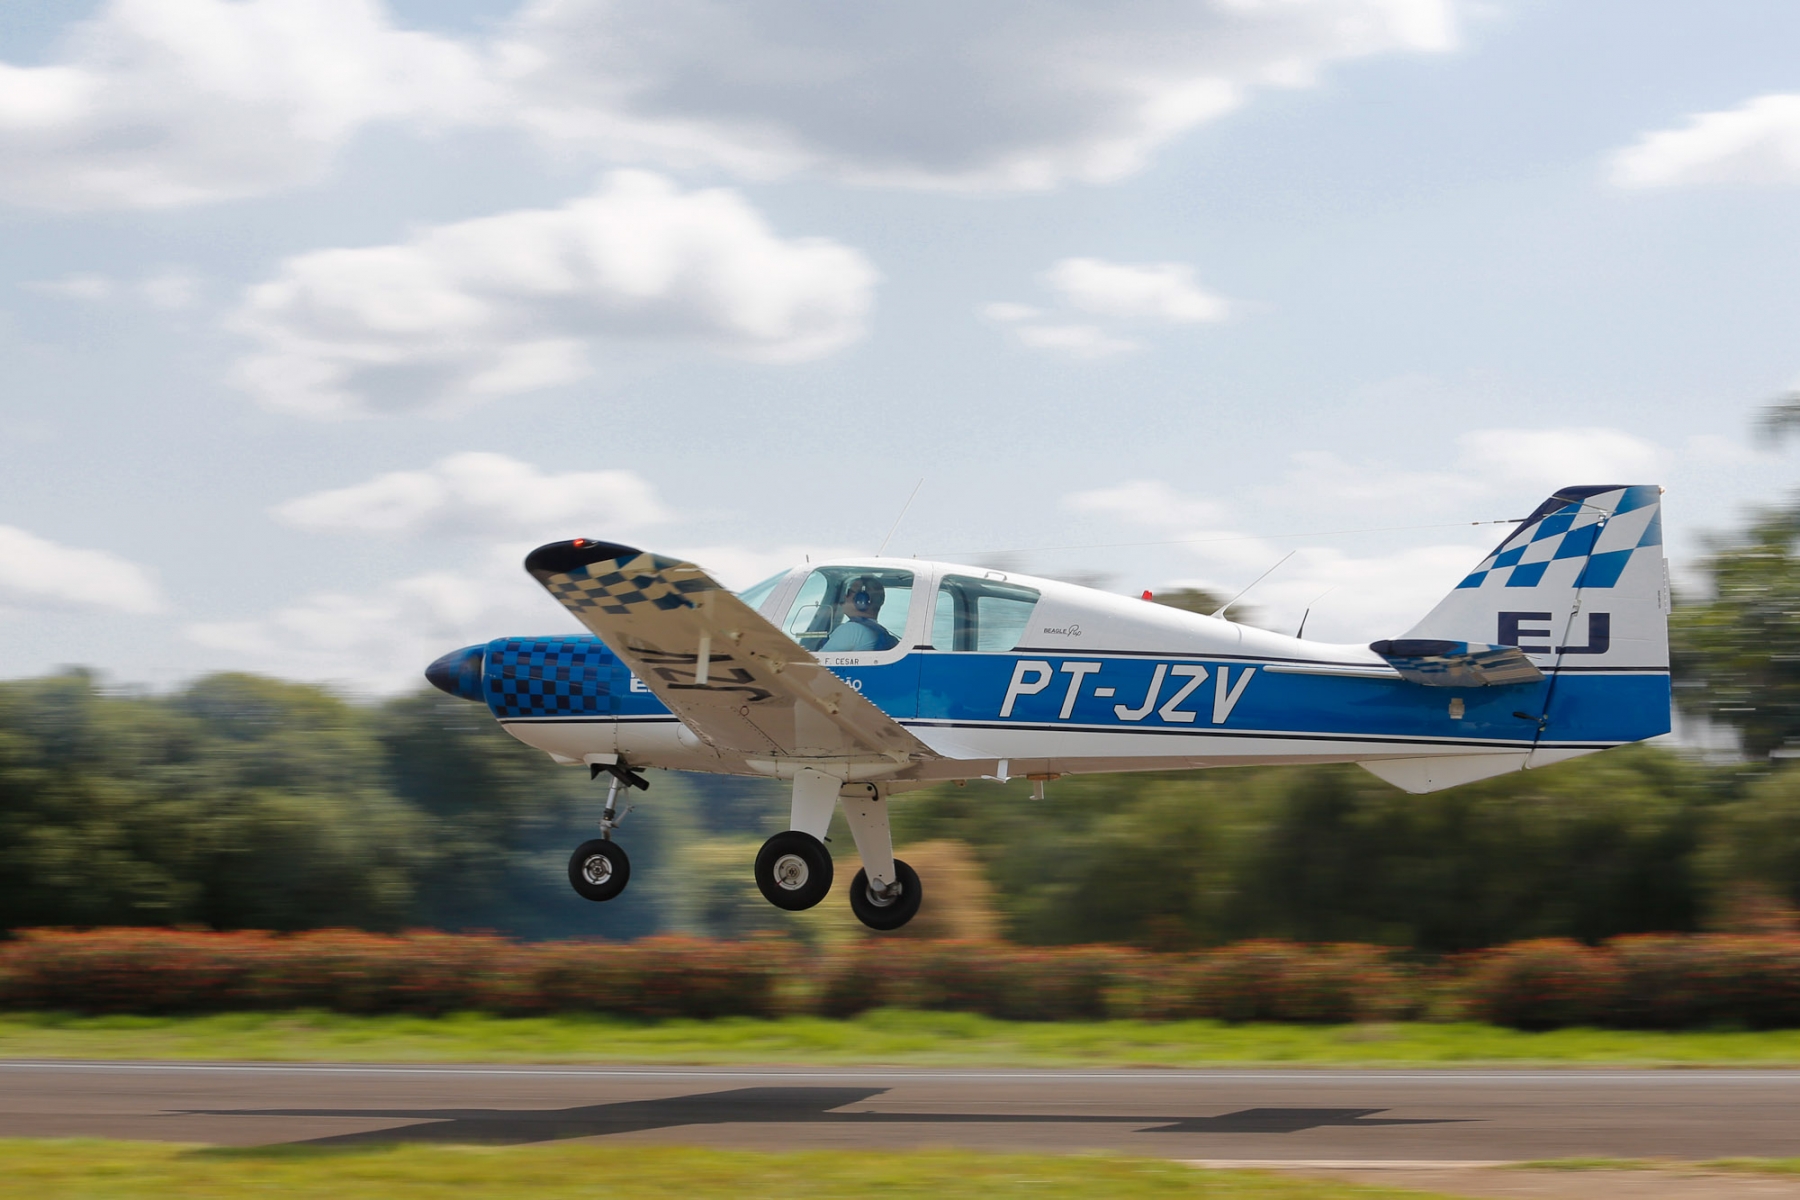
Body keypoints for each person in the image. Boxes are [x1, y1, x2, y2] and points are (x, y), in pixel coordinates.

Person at [819, 576, 898, 651]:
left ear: (861, 600)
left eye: (849, 593)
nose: (845, 597)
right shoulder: (879, 632)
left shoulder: (852, 630)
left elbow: (818, 660)